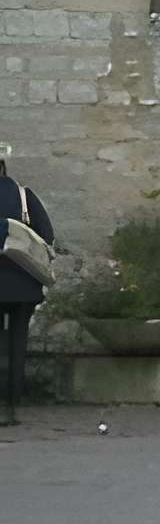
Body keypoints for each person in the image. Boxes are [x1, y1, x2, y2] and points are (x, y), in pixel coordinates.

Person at [0, 145, 55, 425]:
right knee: (18, 341)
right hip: (23, 283)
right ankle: (14, 403)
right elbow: (47, 236)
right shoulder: (24, 196)